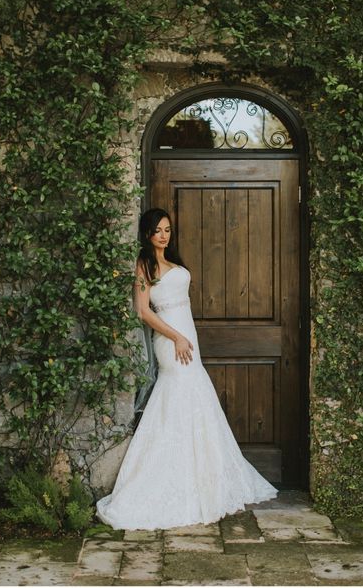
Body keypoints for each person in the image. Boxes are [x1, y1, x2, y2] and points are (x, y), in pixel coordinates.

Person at [95, 208, 278, 530]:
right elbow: (142, 311)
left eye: (167, 230)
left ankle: (202, 477)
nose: (164, 235)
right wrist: (176, 336)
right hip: (170, 339)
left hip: (187, 335)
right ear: (147, 233)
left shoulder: (173, 263)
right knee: (177, 394)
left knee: (196, 399)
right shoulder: (144, 265)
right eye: (157, 230)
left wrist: (185, 335)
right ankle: (166, 480)